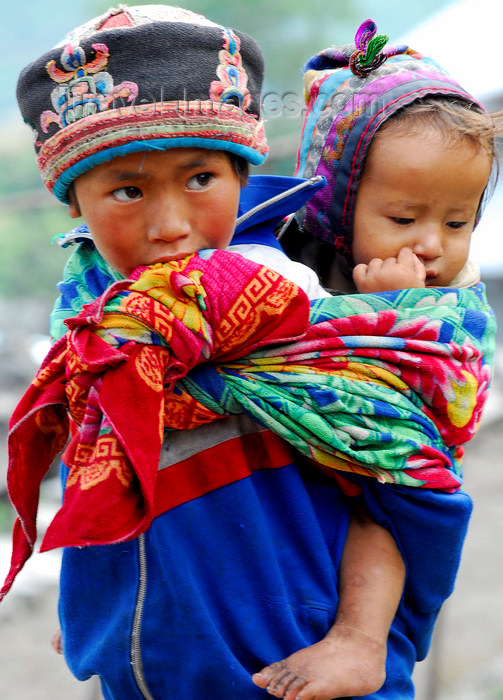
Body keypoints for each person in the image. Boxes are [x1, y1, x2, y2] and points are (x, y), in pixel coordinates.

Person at [0, 9, 494, 700]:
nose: (170, 226)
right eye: (128, 191)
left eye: (200, 178)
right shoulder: (95, 314)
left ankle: (362, 636)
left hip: (295, 660)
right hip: (155, 665)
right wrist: (99, 589)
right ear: (74, 205)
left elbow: (404, 451)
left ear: (242, 175)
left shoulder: (280, 292)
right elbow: (100, 453)